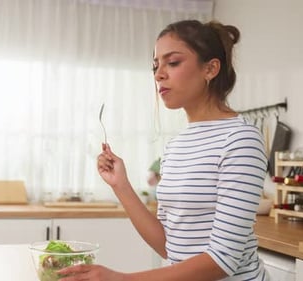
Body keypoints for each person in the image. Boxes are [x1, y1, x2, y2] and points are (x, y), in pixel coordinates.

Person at [59, 19, 268, 281]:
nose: (158, 74)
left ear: (211, 69)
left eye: (173, 62)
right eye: (155, 65)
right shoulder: (175, 147)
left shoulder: (240, 139)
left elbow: (222, 261)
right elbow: (169, 246)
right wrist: (120, 185)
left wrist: (121, 279)